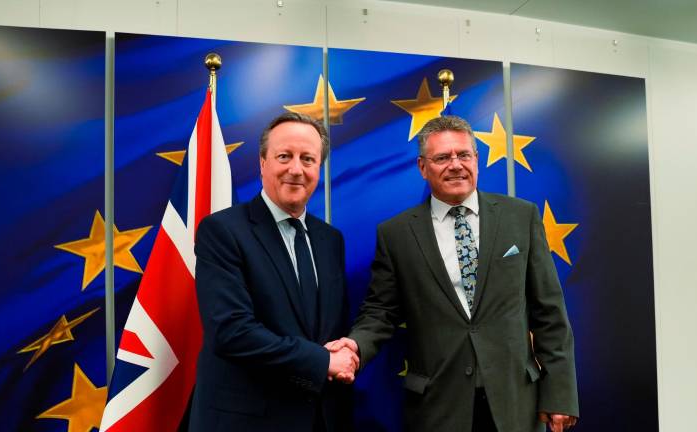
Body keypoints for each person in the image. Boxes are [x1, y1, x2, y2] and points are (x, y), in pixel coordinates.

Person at [328, 115, 579, 432]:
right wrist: (355, 347)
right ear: (422, 167)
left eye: (464, 155)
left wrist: (560, 394)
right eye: (442, 157)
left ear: (477, 159)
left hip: (517, 403)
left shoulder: (521, 217)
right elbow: (381, 312)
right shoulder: (396, 234)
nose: (456, 165)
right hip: (438, 407)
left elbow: (549, 313)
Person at [189, 112, 357, 432]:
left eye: (308, 159)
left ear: (318, 169)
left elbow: (331, 328)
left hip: (321, 419)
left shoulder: (330, 239)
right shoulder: (222, 231)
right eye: (284, 156)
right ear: (263, 163)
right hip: (247, 421)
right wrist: (324, 362)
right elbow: (232, 332)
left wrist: (347, 351)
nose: (296, 169)